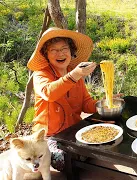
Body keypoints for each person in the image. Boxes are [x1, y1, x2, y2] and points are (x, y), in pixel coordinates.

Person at [27, 27, 97, 171]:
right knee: (64, 160)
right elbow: (49, 93)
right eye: (53, 50)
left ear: (71, 51)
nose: (60, 53)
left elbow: (86, 104)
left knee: (104, 142)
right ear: (46, 55)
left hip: (75, 130)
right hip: (49, 136)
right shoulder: (41, 74)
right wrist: (74, 75)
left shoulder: (75, 74)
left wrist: (105, 103)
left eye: (64, 48)